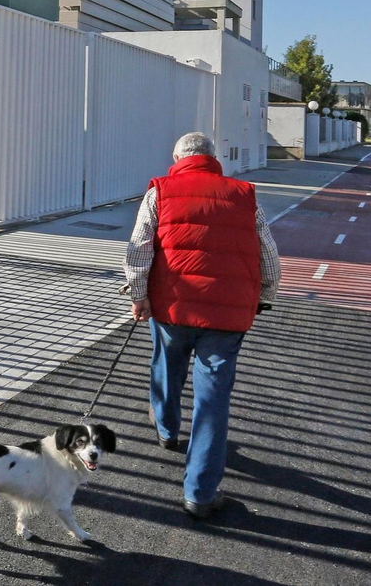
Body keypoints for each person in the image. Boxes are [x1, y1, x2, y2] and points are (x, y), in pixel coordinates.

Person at [122, 132, 280, 519]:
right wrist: (265, 296)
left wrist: (139, 294)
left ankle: (166, 428)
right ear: (213, 158)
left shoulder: (161, 190)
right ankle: (200, 494)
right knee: (213, 400)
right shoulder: (244, 194)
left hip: (173, 306)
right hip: (226, 316)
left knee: (166, 364)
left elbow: (139, 245)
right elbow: (269, 254)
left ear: (177, 157)